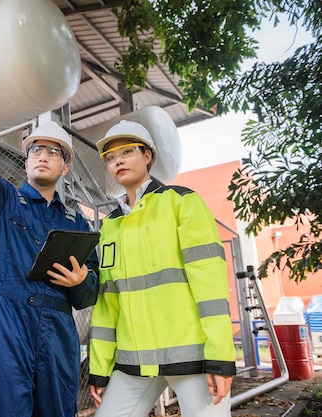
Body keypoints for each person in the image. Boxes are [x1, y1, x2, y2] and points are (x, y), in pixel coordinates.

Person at [0, 70, 99, 417]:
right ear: (25, 162)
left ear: (65, 167)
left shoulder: (76, 223)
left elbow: (89, 293)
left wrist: (81, 281)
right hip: (7, 323)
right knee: (4, 408)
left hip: (58, 330)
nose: (43, 155)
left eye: (53, 152)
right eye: (36, 150)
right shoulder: (1, 201)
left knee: (56, 409)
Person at [88, 120, 236, 417]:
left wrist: (220, 357)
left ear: (147, 156)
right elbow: (107, 304)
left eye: (127, 151)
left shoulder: (182, 202)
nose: (118, 161)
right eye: (111, 158)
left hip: (192, 358)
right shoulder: (109, 227)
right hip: (134, 363)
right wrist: (100, 369)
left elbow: (210, 285)